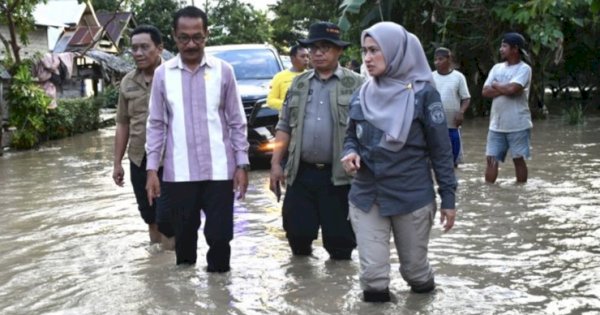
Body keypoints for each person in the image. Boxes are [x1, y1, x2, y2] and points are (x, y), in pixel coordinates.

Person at [340, 22, 457, 302]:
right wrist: (349, 152)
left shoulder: (424, 95)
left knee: (415, 273)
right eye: (364, 51)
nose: (367, 58)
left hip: (412, 195)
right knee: (373, 279)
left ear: (396, 52)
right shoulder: (362, 94)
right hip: (367, 195)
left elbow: (441, 151)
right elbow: (350, 136)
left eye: (375, 51)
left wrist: (449, 199)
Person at [145, 6, 250, 271]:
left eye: (197, 37)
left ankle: (219, 299)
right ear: (174, 36)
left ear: (206, 35)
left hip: (219, 173)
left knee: (220, 239)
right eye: (184, 38)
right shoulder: (162, 75)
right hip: (178, 175)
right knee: (184, 244)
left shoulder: (224, 71)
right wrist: (151, 170)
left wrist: (242, 164)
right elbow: (156, 125)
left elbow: (237, 121)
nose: (191, 44)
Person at [269, 21, 363, 260]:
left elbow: (369, 132)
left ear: (339, 50)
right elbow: (283, 126)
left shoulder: (357, 85)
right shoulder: (298, 84)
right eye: (313, 48)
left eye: (326, 47)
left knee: (341, 247)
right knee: (297, 240)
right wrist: (276, 164)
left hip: (340, 178)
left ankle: (336, 293)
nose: (318, 53)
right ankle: (302, 290)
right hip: (301, 174)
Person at [112, 25, 174, 249]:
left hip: (171, 159)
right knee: (150, 216)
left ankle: (175, 265)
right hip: (139, 158)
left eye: (144, 47)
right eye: (134, 48)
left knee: (169, 216)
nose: (138, 53)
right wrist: (117, 163)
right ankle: (158, 267)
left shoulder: (174, 77)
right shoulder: (128, 82)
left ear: (159, 48)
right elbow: (122, 124)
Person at [482, 32, 532, 183]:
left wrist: (496, 85)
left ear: (515, 49)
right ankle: (489, 194)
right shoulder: (497, 68)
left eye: (504, 46)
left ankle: (521, 192)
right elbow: (485, 91)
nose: (501, 49)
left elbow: (513, 90)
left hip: (518, 123)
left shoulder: (524, 69)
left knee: (518, 160)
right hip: (496, 124)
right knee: (491, 159)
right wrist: (506, 88)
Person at [432, 47, 471, 167]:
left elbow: (466, 98)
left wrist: (461, 112)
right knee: (435, 160)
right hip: (434, 125)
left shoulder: (458, 77)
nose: (437, 62)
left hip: (453, 124)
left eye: (440, 59)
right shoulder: (430, 77)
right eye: (435, 60)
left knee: (454, 161)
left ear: (448, 59)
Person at [267, 45, 310, 111]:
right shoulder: (280, 77)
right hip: (287, 119)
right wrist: (290, 105)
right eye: (302, 56)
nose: (306, 59)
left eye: (307, 56)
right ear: (293, 58)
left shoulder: (311, 76)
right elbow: (270, 101)